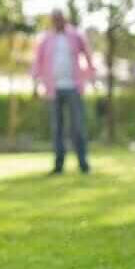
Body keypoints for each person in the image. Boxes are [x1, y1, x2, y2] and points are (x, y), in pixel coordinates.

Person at [32, 10, 96, 174]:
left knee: (78, 127)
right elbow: (37, 62)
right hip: (54, 89)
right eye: (55, 19)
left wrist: (91, 77)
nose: (57, 22)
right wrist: (35, 85)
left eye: (60, 19)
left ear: (64, 19)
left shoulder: (75, 35)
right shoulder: (46, 39)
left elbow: (88, 55)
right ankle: (58, 166)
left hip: (74, 87)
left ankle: (83, 164)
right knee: (57, 129)